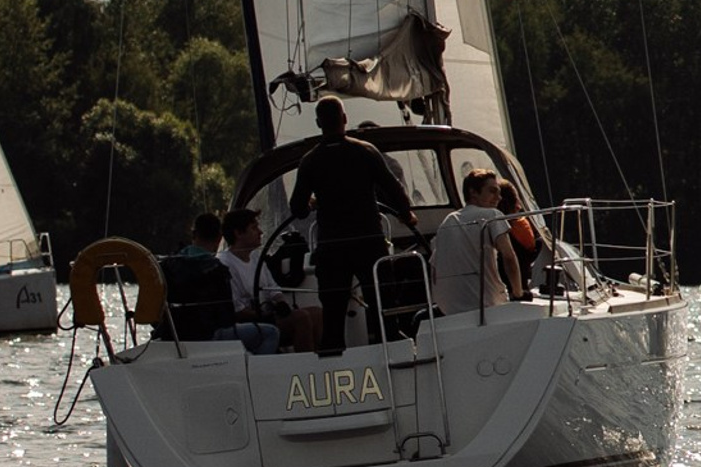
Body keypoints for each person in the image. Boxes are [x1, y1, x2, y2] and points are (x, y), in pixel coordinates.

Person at [288, 96, 415, 356]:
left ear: (318, 123)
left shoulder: (310, 161)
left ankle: (333, 359)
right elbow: (393, 189)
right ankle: (390, 349)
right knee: (381, 300)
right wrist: (407, 214)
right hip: (369, 241)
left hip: (332, 246)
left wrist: (313, 202)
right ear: (344, 119)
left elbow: (297, 208)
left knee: (333, 310)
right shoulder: (365, 151)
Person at [432, 170, 526, 315]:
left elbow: (434, 268)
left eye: (499, 192)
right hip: (487, 306)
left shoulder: (447, 221)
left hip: (449, 310)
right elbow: (509, 257)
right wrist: (518, 293)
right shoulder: (492, 215)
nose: (499, 198)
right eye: (492, 191)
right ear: (473, 192)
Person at [214, 210, 286, 355]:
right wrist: (265, 315)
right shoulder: (225, 263)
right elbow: (238, 310)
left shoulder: (255, 257)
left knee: (315, 314)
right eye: (254, 228)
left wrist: (281, 302)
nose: (260, 232)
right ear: (238, 233)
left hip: (267, 314)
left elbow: (272, 288)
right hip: (251, 320)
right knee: (302, 319)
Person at [493, 179, 543, 288]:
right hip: (520, 281)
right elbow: (532, 249)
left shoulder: (493, 224)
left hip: (500, 283)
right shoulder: (521, 226)